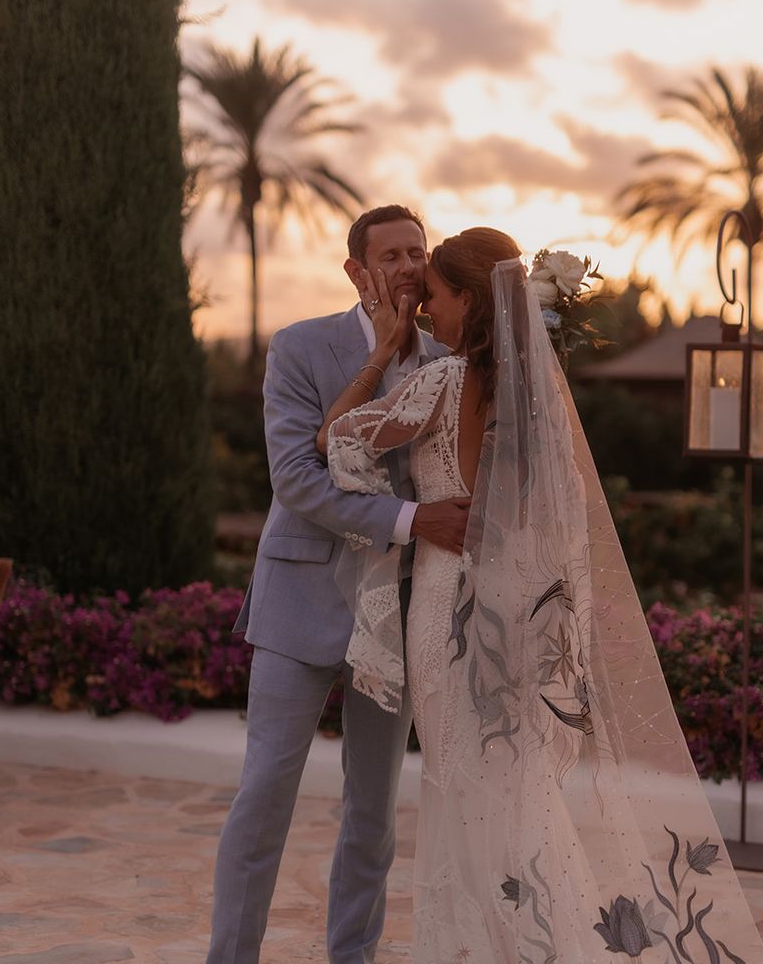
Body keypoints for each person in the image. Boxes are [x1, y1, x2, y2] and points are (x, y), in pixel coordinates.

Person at [319, 227, 763, 962]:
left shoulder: (440, 383)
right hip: (516, 616)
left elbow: (336, 437)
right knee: (518, 793)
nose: (425, 311)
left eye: (432, 296)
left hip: (444, 613)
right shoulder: (541, 408)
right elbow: (552, 526)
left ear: (468, 299)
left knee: (458, 789)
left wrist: (381, 349)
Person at [206, 205, 472, 964]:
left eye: (417, 251)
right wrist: (413, 520)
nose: (408, 266)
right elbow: (295, 478)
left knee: (373, 815)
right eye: (390, 254)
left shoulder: (449, 359)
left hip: (398, 612)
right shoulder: (299, 348)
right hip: (299, 603)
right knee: (263, 799)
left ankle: (350, 955)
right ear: (356, 271)